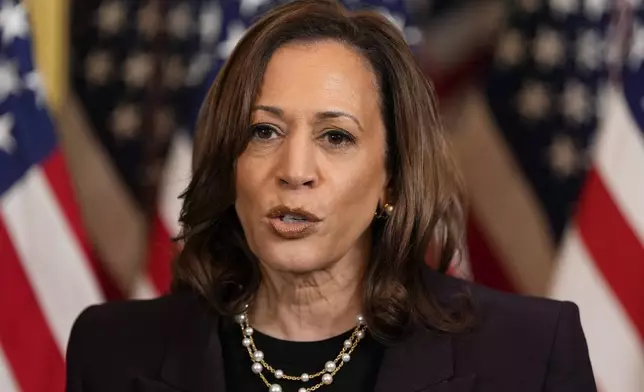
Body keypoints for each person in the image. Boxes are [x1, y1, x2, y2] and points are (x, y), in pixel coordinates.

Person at [65, 1, 597, 391]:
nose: (295, 172)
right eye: (264, 133)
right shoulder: (112, 350)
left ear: (391, 178)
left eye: (336, 137)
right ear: (231, 164)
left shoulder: (530, 354)